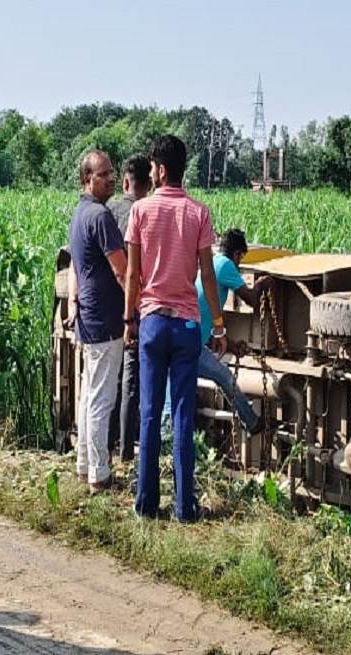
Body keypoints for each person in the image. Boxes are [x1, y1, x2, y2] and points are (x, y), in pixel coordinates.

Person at [124, 134, 225, 521]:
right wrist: (217, 323)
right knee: (183, 415)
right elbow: (206, 276)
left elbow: (134, 273)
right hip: (186, 327)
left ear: (161, 170)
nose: (150, 173)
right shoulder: (199, 213)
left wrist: (129, 319)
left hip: (151, 323)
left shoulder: (141, 212)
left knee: (149, 413)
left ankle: (146, 505)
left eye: (151, 167)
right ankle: (185, 507)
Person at [163, 228, 271, 435]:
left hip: (184, 335)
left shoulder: (209, 262)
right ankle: (252, 422)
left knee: (175, 394)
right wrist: (261, 285)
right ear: (238, 254)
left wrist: (230, 344)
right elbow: (252, 300)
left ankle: (169, 442)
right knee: (224, 377)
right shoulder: (226, 265)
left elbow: (207, 318)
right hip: (191, 343)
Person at [66, 149, 126, 493]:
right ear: (87, 179)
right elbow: (121, 270)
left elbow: (76, 264)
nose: (111, 179)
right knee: (102, 398)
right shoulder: (100, 217)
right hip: (105, 318)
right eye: (104, 174)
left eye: (112, 172)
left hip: (88, 315)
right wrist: (136, 308)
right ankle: (100, 474)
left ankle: (85, 465)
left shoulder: (79, 213)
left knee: (89, 394)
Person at [107, 154, 152, 462]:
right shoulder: (144, 213)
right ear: (149, 184)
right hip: (133, 308)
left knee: (106, 380)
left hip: (105, 308)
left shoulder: (106, 211)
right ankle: (126, 451)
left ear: (125, 181)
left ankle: (104, 446)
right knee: (131, 380)